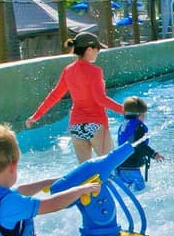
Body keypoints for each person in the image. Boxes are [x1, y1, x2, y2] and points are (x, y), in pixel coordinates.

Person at [25, 31, 124, 163]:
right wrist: (125, 110)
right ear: (89, 49)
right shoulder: (95, 71)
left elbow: (55, 95)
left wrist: (36, 116)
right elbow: (100, 99)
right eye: (97, 50)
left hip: (76, 126)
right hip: (95, 123)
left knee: (85, 174)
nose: (97, 53)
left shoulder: (68, 70)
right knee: (111, 164)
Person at [115, 96, 165, 192]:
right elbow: (140, 145)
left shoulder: (124, 125)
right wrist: (154, 154)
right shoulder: (138, 127)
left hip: (120, 166)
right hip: (130, 169)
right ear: (140, 115)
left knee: (127, 192)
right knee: (140, 191)